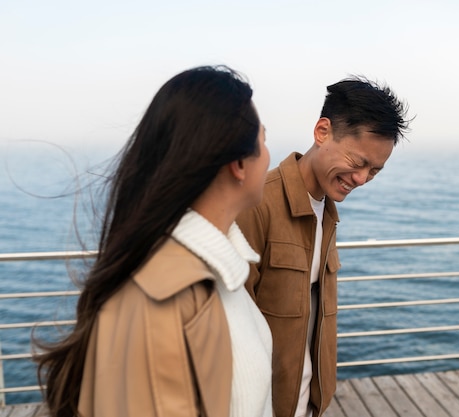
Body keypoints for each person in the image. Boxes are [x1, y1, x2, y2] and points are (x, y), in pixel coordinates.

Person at [34, 66, 273, 417]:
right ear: (238, 163)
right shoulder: (163, 297)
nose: (269, 155)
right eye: (264, 140)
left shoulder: (217, 272)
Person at [236, 76, 410, 417]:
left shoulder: (327, 212)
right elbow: (227, 334)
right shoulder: (256, 205)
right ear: (322, 132)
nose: (362, 179)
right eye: (358, 162)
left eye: (375, 170)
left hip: (307, 404)